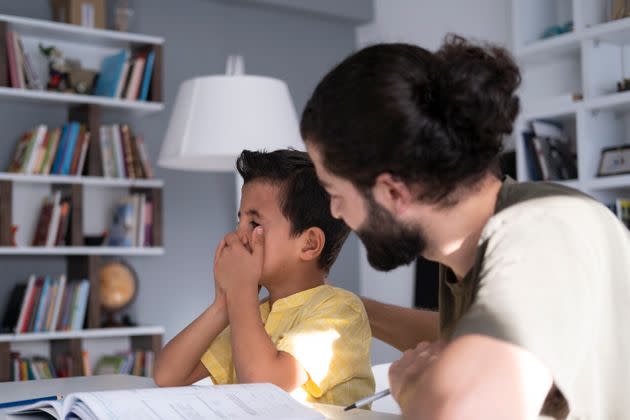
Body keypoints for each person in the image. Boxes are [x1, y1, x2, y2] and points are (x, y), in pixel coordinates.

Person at [300, 34, 630, 419]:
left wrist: (416, 389)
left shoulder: (543, 230)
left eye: (334, 191)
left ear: (392, 191)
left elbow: (461, 407)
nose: (335, 211)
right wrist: (350, 307)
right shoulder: (470, 245)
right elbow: (458, 335)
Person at [154, 149, 375, 407]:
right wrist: (222, 305)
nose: (238, 236)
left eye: (254, 223)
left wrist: (241, 292)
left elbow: (262, 387)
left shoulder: (339, 312)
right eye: (240, 221)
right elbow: (167, 374)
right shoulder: (253, 313)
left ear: (309, 244)